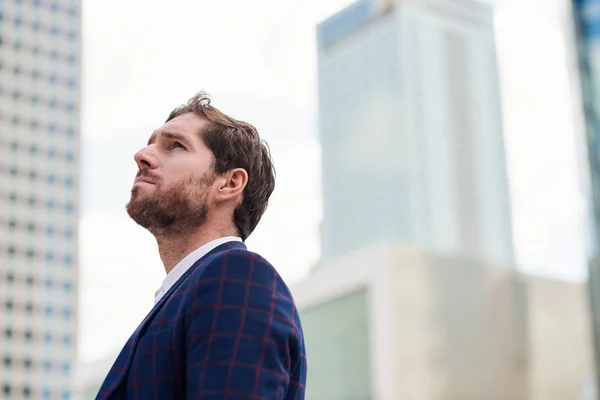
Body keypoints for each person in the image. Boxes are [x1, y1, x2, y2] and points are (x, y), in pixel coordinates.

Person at [95, 92, 307, 399]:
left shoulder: (237, 277)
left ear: (229, 183)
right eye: (151, 142)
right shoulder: (189, 293)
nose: (142, 154)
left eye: (175, 146)